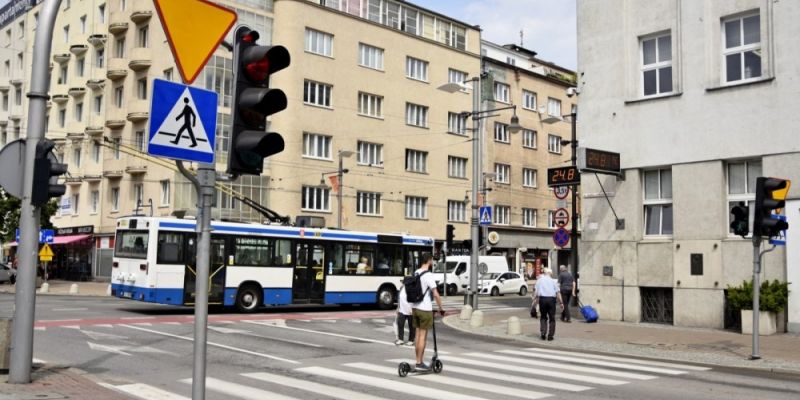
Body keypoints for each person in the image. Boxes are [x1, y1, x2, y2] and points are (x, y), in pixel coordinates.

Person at [411, 252, 444, 371]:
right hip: (425, 309)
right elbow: (435, 293)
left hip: (415, 308)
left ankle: (417, 361)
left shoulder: (416, 272)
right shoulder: (428, 275)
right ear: (429, 261)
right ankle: (419, 363)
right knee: (423, 337)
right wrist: (441, 308)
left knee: (417, 335)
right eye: (432, 260)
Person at [532, 267, 564, 341]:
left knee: (543, 317)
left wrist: (534, 302)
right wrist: (561, 303)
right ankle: (550, 336)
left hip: (542, 299)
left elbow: (536, 293)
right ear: (550, 273)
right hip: (551, 300)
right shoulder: (553, 281)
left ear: (544, 273)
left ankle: (543, 333)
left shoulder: (539, 280)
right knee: (552, 318)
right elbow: (558, 293)